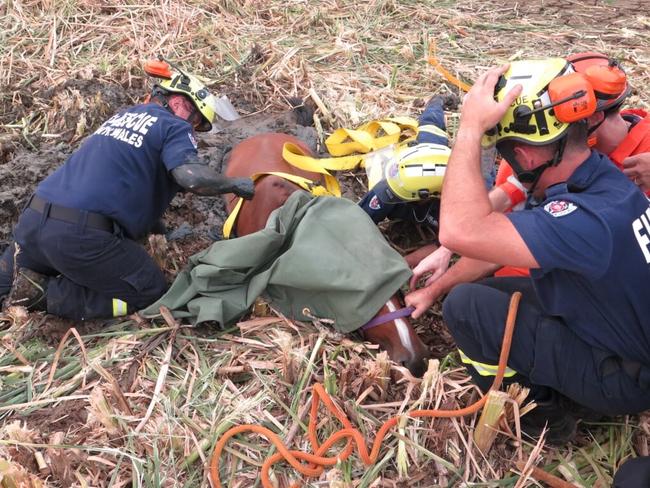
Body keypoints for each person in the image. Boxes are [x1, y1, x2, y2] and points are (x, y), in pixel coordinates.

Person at [409, 58, 650, 443]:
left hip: (624, 377)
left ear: (529, 154)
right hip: (621, 334)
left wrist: (470, 129)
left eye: (505, 152)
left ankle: (544, 420)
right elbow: (500, 240)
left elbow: (459, 230)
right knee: (480, 294)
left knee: (466, 309)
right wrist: (437, 285)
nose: (506, 162)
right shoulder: (598, 180)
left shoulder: (584, 219)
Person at [0, 64, 255, 320]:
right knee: (149, 292)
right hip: (79, 237)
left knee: (4, 284)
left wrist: (162, 234)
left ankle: (25, 285)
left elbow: (133, 192)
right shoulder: (174, 126)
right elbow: (191, 177)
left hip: (33, 221)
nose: (194, 129)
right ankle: (42, 295)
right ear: (178, 102)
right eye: (196, 119)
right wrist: (233, 184)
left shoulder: (122, 117)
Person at [409, 51, 649, 284]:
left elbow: (480, 233)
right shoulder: (563, 153)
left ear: (591, 116)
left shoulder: (587, 166)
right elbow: (509, 195)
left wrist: (470, 128)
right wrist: (446, 250)